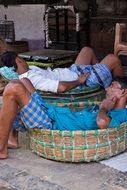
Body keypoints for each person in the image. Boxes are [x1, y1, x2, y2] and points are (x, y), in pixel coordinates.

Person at [0, 77, 127, 159]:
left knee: (14, 87)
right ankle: (11, 138)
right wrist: (104, 107)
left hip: (49, 123)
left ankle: (1, 148)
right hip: (51, 112)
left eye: (112, 86)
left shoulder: (121, 114)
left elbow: (102, 123)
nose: (107, 89)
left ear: (123, 92)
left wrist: (103, 107)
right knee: (24, 80)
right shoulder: (106, 109)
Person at [0, 47, 124, 93]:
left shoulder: (27, 71)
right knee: (113, 59)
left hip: (73, 71)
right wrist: (79, 81)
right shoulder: (31, 79)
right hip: (81, 82)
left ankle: (102, 84)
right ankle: (122, 92)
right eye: (21, 57)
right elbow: (61, 88)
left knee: (87, 50)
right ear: (18, 61)